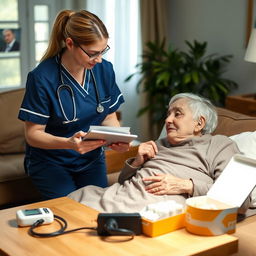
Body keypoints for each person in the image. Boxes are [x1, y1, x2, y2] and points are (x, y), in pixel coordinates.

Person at [68, 92, 250, 214]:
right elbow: (126, 181)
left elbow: (240, 200)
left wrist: (188, 186)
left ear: (199, 123)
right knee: (69, 202)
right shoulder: (161, 143)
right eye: (168, 113)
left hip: (145, 207)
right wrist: (137, 162)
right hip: (114, 195)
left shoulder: (220, 146)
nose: (168, 120)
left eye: (177, 114)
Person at [18, 10, 128, 199]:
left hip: (91, 159)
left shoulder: (104, 70)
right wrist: (68, 144)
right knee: (71, 209)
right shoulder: (42, 78)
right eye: (93, 53)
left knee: (99, 207)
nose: (99, 59)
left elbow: (109, 115)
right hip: (51, 162)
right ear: (70, 44)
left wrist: (117, 139)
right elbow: (33, 134)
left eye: (103, 51)